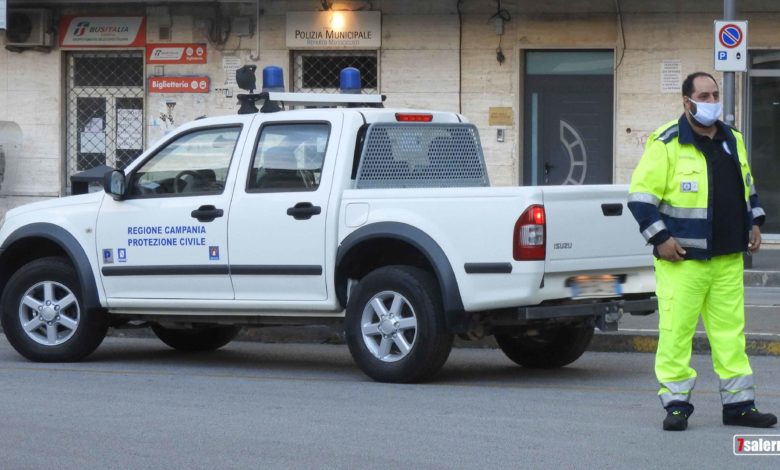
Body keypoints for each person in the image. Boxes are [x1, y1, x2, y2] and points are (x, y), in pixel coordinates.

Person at [628, 71, 777, 431]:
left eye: (715, 95)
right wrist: (661, 239)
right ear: (687, 102)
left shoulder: (733, 140)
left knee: (730, 336)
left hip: (727, 257)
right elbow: (640, 199)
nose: (712, 102)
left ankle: (739, 406)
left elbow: (747, 186)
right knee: (676, 334)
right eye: (705, 96)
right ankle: (676, 405)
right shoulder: (666, 143)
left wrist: (754, 222)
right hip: (683, 261)